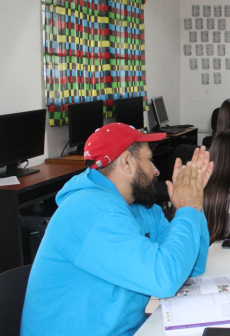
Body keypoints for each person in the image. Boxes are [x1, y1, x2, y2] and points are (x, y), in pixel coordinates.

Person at [21, 123, 213, 336]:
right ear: (127, 162)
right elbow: (165, 279)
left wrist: (194, 205)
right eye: (149, 160)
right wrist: (186, 208)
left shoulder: (142, 208)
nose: (156, 170)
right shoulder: (91, 211)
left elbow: (191, 265)